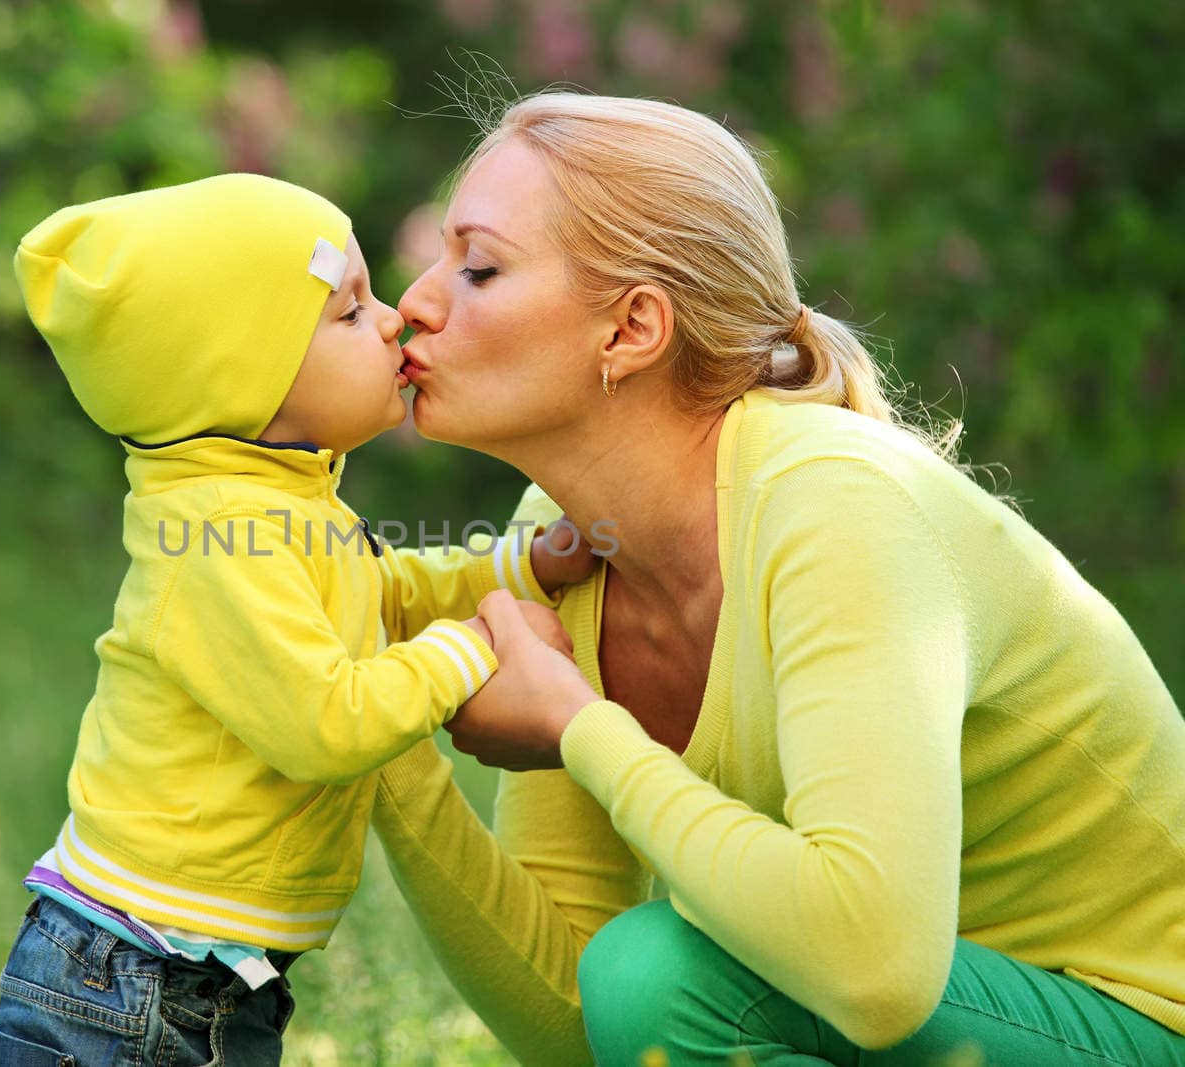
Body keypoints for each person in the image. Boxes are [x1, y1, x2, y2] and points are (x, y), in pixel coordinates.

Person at [372, 92, 1185, 1066]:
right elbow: (584, 1025)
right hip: (951, 1019)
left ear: (630, 329)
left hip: (1134, 1021)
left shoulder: (834, 506)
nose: (413, 300)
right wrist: (372, 734)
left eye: (479, 267)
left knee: (663, 971)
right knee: (644, 979)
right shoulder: (559, 542)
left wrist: (582, 729)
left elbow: (874, 972)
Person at [0, 173, 589, 1066]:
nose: (392, 320)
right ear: (246, 383)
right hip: (129, 979)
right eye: (348, 313)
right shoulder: (222, 540)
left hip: (185, 971)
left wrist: (518, 567)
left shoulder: (276, 504)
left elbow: (378, 593)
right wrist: (479, 646)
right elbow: (323, 722)